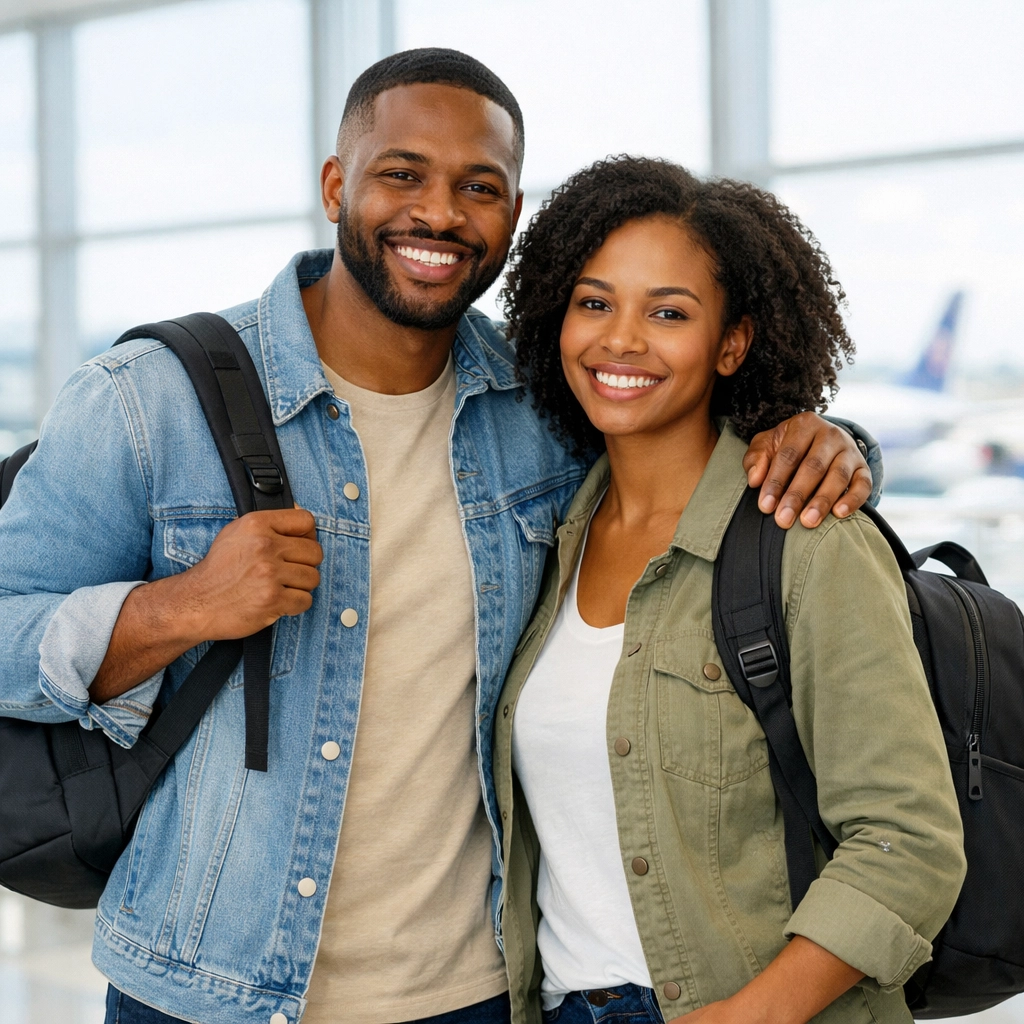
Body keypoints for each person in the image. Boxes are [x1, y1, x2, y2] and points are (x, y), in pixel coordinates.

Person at [0, 53, 876, 1024]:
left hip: (470, 992)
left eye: (479, 187)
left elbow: (694, 440)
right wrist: (182, 607)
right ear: (337, 185)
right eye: (402, 173)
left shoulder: (542, 404)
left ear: (512, 214)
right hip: (205, 989)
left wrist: (822, 436)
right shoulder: (145, 397)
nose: (442, 213)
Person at [493, 157, 966, 1024]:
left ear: (732, 343)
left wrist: (752, 1017)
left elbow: (908, 841)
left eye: (668, 312)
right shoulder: (540, 543)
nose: (620, 340)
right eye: (594, 303)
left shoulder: (808, 540)